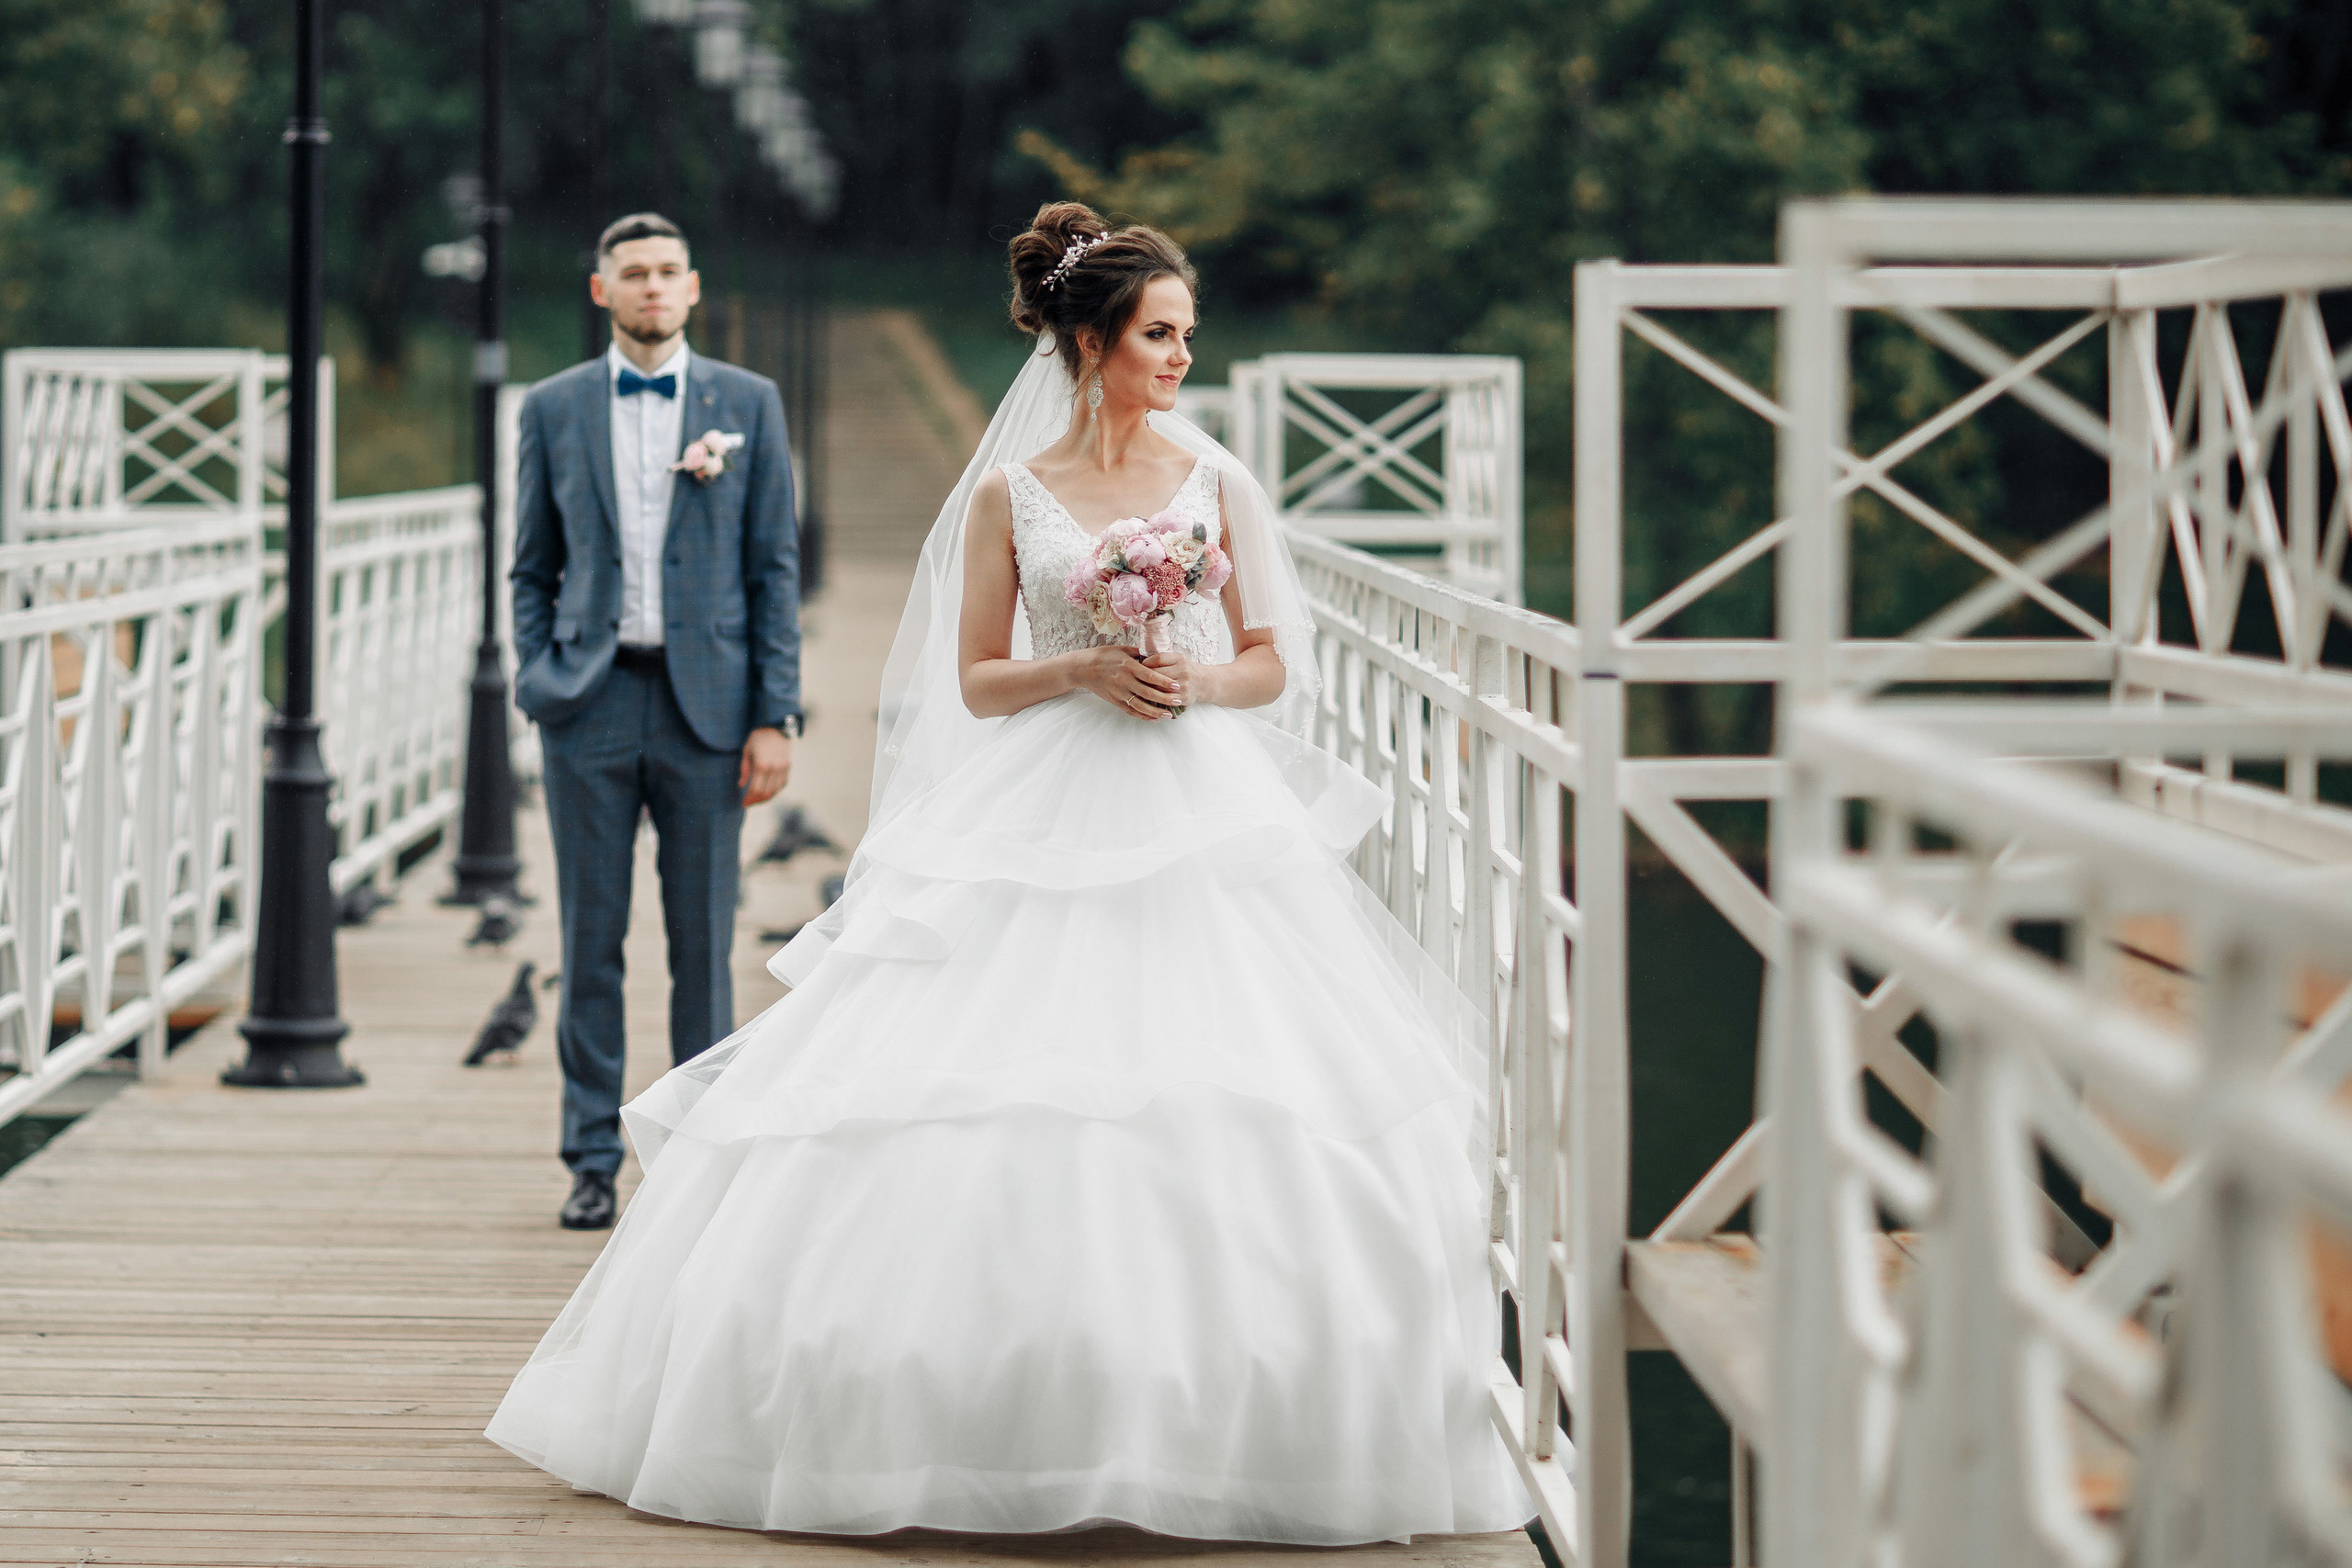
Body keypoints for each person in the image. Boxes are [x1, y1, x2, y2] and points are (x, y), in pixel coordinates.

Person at [487, 202, 1531, 1542]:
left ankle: (1230, 1413)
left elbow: (1274, 655)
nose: (1181, 360)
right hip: (1041, 788)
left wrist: (1191, 676)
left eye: (1189, 337)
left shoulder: (1219, 481)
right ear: (1092, 342)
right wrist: (1085, 665)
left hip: (1194, 794)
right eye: (1161, 335)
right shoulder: (1007, 491)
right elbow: (980, 679)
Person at [509, 212, 802, 1232]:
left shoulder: (748, 406)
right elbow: (531, 567)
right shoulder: (550, 409)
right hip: (587, 704)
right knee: (589, 941)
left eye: (667, 272)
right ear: (602, 292)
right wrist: (540, 673)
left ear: (691, 287)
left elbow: (774, 569)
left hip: (709, 710)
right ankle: (590, 1155)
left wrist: (775, 713)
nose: (650, 288)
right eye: (631, 273)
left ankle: (690, 1160)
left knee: (701, 940)